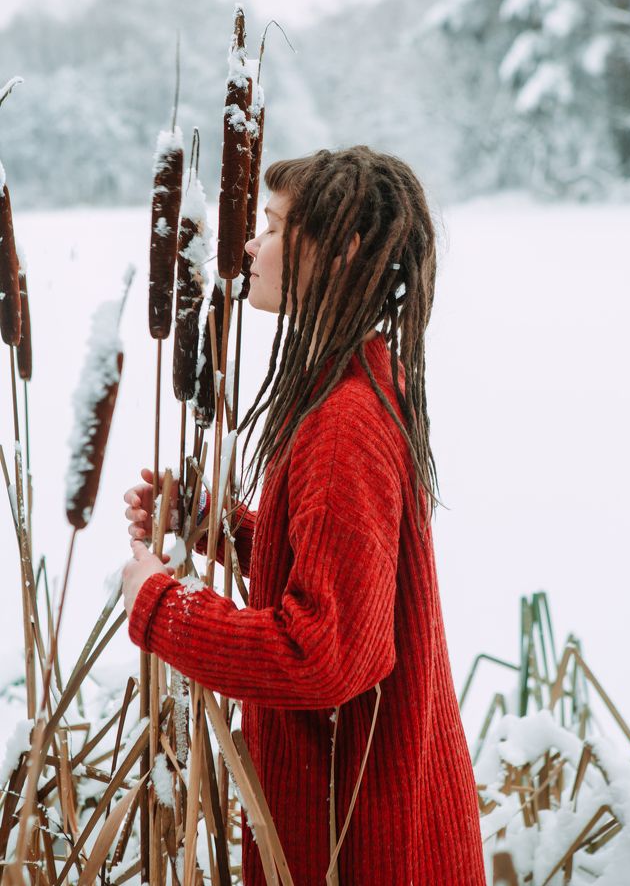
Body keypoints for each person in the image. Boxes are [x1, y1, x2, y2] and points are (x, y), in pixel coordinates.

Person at [122, 146, 487, 885]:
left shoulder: (344, 421)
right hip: (380, 821)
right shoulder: (358, 380)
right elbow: (347, 574)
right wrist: (216, 529)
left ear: (342, 252)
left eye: (275, 225)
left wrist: (159, 605)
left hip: (363, 842)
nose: (251, 243)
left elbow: (322, 654)